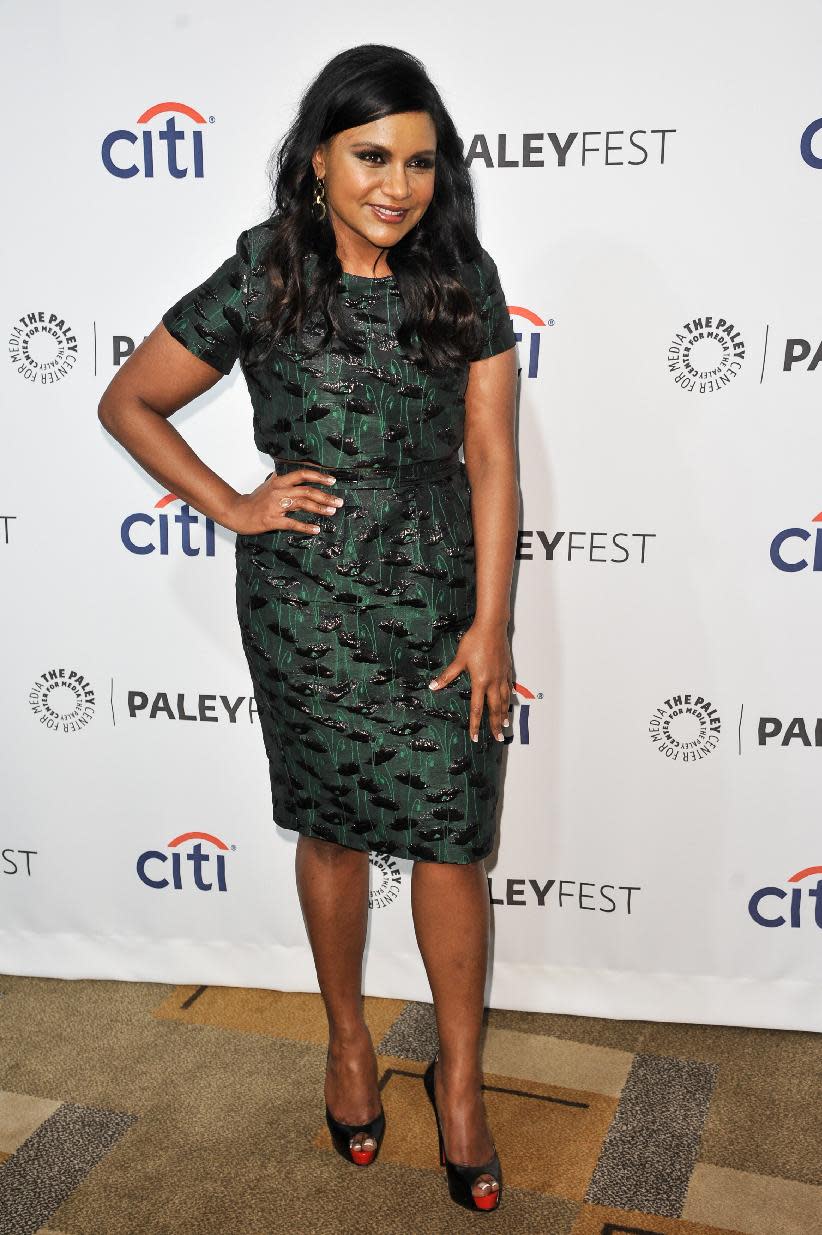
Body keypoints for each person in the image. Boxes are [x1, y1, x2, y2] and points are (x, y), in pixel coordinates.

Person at [98, 43, 518, 1214]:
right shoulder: (269, 273)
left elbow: (491, 456)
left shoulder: (462, 277)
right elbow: (130, 399)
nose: (398, 183)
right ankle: (346, 1044)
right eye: (372, 155)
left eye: (421, 160)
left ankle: (464, 1082)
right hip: (312, 598)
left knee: (452, 839)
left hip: (439, 587)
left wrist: (492, 621)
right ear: (320, 157)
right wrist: (234, 501)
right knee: (331, 830)